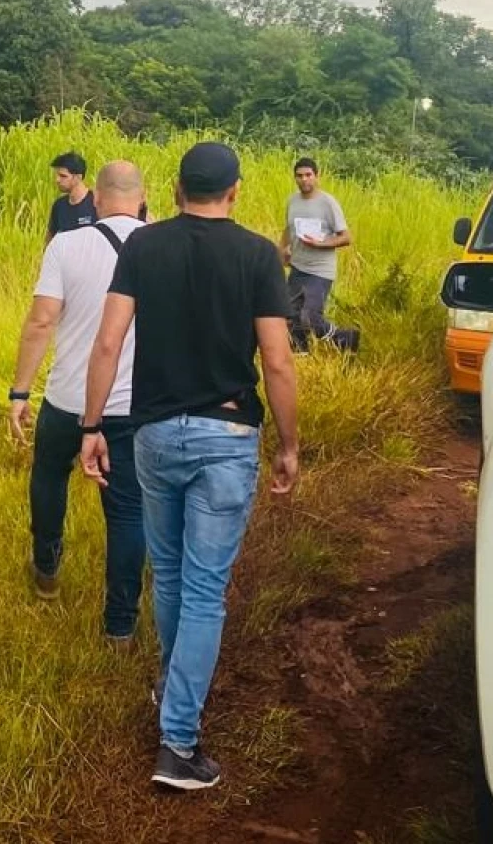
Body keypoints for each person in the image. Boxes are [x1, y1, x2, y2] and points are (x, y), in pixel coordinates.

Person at [81, 141, 300, 792]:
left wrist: (93, 426)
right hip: (226, 436)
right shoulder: (259, 255)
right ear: (234, 192)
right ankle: (178, 743)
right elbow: (279, 361)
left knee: (172, 577)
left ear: (175, 190)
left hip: (151, 434)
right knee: (203, 589)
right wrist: (289, 444)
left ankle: (171, 689)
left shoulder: (144, 247)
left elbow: (109, 341)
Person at [9, 160, 148, 647]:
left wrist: (20, 391)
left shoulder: (66, 244)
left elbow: (41, 322)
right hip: (131, 403)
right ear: (143, 197)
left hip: (68, 398)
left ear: (97, 198)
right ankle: (120, 624)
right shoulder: (160, 245)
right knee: (128, 511)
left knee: (49, 475)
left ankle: (46, 569)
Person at [279, 157, 353, 352]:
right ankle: (300, 354)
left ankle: (346, 339)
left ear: (317, 176)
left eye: (308, 175)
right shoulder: (292, 201)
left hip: (320, 270)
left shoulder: (327, 203)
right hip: (297, 266)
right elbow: (288, 228)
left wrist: (321, 243)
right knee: (291, 315)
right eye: (299, 176)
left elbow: (346, 237)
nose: (304, 180)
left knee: (310, 317)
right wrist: (282, 250)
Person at [48, 152, 98, 242]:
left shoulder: (96, 202)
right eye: (57, 175)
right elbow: (50, 238)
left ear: (78, 178)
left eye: (63, 176)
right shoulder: (59, 205)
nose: (57, 180)